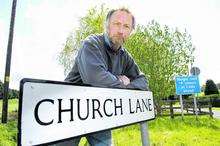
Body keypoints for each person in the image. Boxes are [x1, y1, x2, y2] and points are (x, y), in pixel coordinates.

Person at [52, 8, 149, 146]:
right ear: (107, 26)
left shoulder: (124, 56)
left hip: (98, 113)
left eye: (126, 26)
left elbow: (143, 81)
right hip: (70, 113)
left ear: (130, 32)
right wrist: (121, 82)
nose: (121, 30)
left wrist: (126, 85)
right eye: (116, 24)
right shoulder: (91, 44)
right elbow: (96, 80)